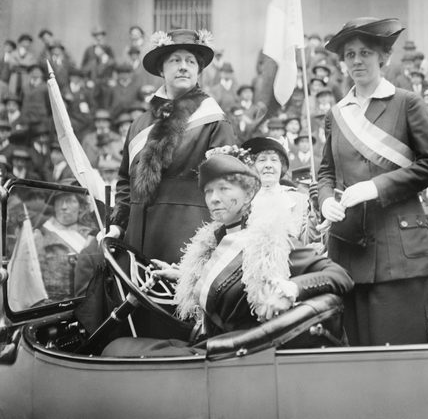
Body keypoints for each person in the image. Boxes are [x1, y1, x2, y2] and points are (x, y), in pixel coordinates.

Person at [101, 149, 353, 357]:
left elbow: (339, 276)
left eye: (224, 189)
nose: (214, 199)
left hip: (237, 354)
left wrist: (290, 289)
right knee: (116, 345)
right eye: (209, 191)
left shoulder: (267, 240)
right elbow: (225, 282)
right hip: (210, 346)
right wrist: (179, 274)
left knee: (114, 351)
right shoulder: (217, 239)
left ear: (248, 194)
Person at [318, 17, 428, 345]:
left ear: (383, 57)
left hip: (398, 250)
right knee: (357, 356)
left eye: (365, 53)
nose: (357, 61)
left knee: (403, 352)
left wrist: (375, 187)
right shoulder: (336, 114)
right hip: (348, 250)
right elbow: (326, 172)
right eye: (349, 55)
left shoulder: (406, 102)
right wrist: (326, 200)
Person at [104, 29, 238, 267]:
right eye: (175, 60)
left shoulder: (214, 121)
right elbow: (125, 180)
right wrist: (118, 224)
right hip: (137, 241)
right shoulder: (139, 124)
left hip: (188, 243)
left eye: (190, 61)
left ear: (198, 70)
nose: (183, 67)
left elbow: (226, 187)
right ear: (161, 69)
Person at [242, 137, 313, 244]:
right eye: (262, 160)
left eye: (274, 160)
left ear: (282, 167)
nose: (268, 165)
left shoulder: (299, 200)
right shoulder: (242, 200)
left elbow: (307, 242)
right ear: (252, 166)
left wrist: (314, 214)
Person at [34, 182, 95, 300]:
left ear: (80, 205)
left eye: (69, 200)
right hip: (52, 307)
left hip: (85, 303)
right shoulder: (39, 236)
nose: (63, 206)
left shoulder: (92, 236)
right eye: (59, 201)